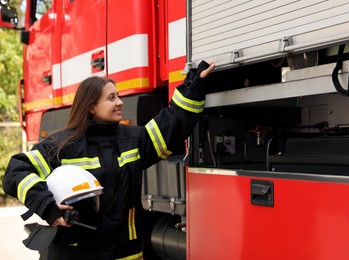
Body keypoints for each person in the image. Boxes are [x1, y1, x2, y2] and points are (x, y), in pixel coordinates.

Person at [2, 61, 215, 260]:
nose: (119, 102)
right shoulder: (62, 146)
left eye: (119, 96)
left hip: (124, 252)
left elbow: (172, 125)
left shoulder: (133, 139)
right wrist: (48, 208)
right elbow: (16, 172)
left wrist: (194, 85)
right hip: (75, 253)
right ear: (91, 106)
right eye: (111, 98)